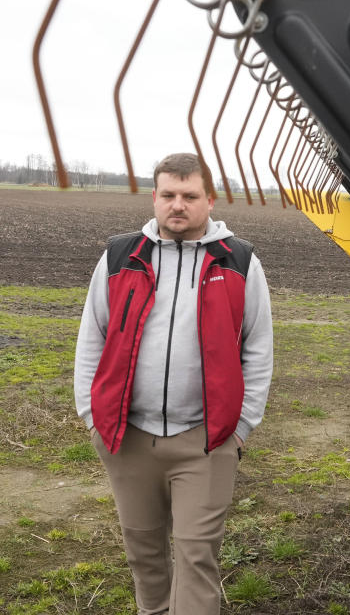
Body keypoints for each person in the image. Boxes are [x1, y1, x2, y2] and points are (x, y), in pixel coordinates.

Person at [74, 152, 273, 615]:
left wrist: (239, 429)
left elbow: (258, 350)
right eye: (168, 195)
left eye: (189, 196)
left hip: (206, 440)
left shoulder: (239, 262)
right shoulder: (120, 257)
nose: (177, 205)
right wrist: (92, 420)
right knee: (144, 555)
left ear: (210, 200)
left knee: (196, 554)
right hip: (127, 437)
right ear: (155, 197)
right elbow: (91, 340)